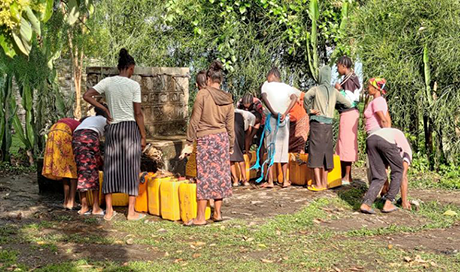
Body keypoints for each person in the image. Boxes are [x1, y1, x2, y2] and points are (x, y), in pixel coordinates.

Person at [83, 48, 147, 221]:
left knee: (111, 167)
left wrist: (104, 108)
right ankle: (131, 212)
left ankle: (109, 211)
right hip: (130, 129)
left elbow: (87, 95)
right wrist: (143, 135)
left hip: (113, 129)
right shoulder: (134, 85)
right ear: (130, 68)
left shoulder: (107, 82)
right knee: (132, 168)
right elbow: (138, 114)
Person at [180, 60, 234, 226]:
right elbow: (230, 126)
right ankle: (217, 213)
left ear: (209, 79)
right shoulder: (228, 98)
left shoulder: (203, 94)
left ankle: (200, 217)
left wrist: (189, 141)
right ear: (221, 81)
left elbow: (195, 120)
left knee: (204, 177)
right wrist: (231, 145)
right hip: (222, 139)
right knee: (220, 176)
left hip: (206, 139)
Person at [303, 66, 352, 191]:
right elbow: (347, 103)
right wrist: (334, 104)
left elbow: (306, 97)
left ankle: (318, 184)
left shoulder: (316, 89)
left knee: (315, 153)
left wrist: (309, 110)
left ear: (320, 76)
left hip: (317, 124)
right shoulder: (334, 91)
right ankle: (325, 183)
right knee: (326, 153)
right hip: (328, 125)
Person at [260, 67, 299, 188]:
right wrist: (285, 112)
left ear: (272, 75)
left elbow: (264, 97)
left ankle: (270, 181)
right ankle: (285, 180)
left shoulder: (267, 85)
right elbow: (295, 98)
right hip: (283, 120)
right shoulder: (287, 87)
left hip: (272, 119)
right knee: (283, 149)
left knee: (271, 149)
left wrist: (273, 112)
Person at [72, 105, 108, 216]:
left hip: (76, 137)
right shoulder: (106, 120)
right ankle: (96, 208)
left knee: (82, 172)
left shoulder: (89, 119)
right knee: (93, 173)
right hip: (89, 137)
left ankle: (84, 207)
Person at [360, 128, 403, 214]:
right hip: (384, 141)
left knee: (379, 176)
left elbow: (386, 159)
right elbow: (401, 168)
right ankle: (388, 203)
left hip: (371, 139)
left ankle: (366, 204)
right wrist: (404, 201)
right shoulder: (407, 149)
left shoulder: (393, 134)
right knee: (398, 170)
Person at [42, 118, 81, 210]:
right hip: (63, 132)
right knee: (73, 170)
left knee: (64, 169)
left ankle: (66, 201)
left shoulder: (72, 122)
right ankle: (72, 202)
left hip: (53, 131)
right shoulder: (81, 126)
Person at [334, 56, 361, 185]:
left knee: (346, 144)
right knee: (343, 143)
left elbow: (350, 100)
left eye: (338, 66)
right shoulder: (350, 78)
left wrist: (340, 91)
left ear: (343, 66)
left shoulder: (350, 80)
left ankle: (347, 176)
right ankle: (344, 175)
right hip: (348, 114)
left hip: (349, 113)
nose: (337, 69)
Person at [380, 128, 413, 210]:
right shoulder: (407, 152)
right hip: (383, 140)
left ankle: (388, 196)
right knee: (400, 173)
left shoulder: (404, 153)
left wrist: (385, 184)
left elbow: (384, 167)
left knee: (398, 173)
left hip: (378, 138)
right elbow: (403, 176)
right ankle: (391, 202)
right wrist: (404, 201)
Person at [231, 109, 257, 186]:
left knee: (230, 156)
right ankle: (244, 179)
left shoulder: (240, 112)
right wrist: (246, 150)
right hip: (237, 125)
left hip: (229, 125)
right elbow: (248, 136)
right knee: (240, 155)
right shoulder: (252, 118)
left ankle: (235, 180)